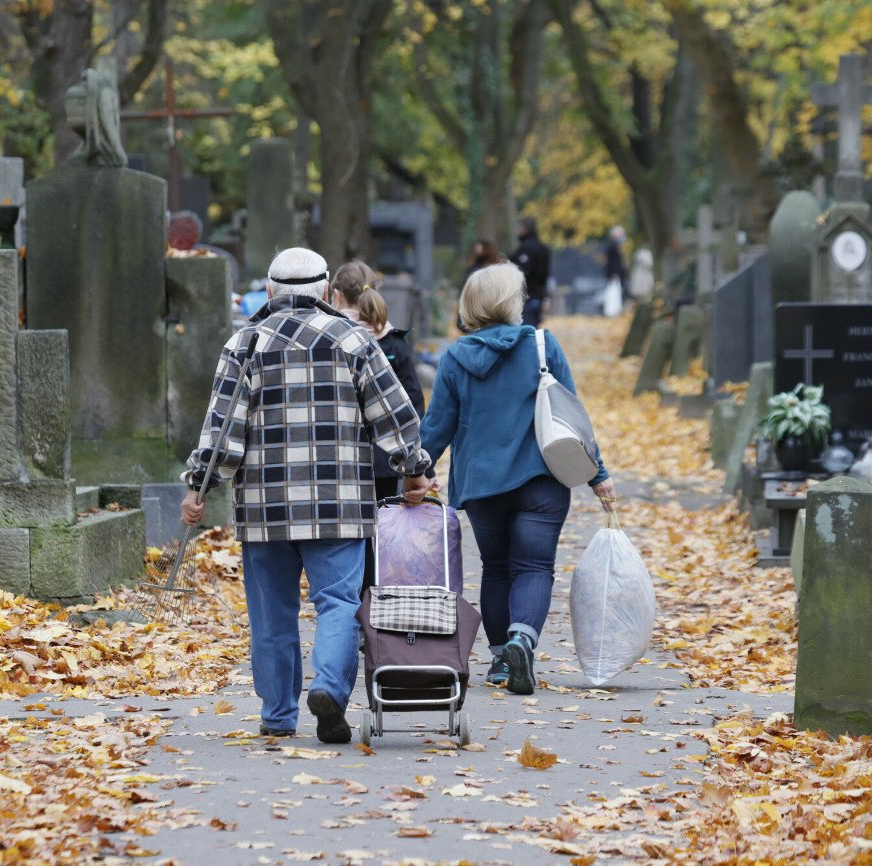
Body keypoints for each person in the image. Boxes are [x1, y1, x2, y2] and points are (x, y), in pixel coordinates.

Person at [181, 247, 432, 743]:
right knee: (338, 602)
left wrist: (199, 485)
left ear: (270, 291)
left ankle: (278, 715)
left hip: (265, 508)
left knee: (271, 613)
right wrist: (413, 471)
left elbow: (222, 430)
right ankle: (331, 688)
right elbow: (394, 417)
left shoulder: (246, 343)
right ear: (325, 292)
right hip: (338, 504)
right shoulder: (354, 338)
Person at [419, 262, 615, 696]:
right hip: (541, 479)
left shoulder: (455, 357)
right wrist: (597, 475)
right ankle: (522, 639)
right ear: (512, 302)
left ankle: (499, 662)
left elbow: (437, 427)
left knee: (496, 568)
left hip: (483, 485)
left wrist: (417, 472)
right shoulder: (543, 346)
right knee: (534, 567)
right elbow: (572, 417)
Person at [329, 260, 426, 503]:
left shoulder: (330, 341)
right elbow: (413, 402)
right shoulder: (394, 343)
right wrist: (416, 461)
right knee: (382, 526)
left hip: (338, 456)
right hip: (385, 457)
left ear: (336, 296)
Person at [512, 218, 551, 327]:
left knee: (525, 329)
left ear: (524, 229)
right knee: (532, 329)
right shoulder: (543, 248)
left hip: (525, 296)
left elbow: (522, 272)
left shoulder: (525, 249)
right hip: (538, 295)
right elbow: (545, 274)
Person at [458, 240, 504, 333]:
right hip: (476, 313)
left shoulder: (497, 270)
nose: (478, 251)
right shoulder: (472, 270)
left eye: (481, 248)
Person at [602, 225, 629, 317]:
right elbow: (613, 262)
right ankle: (612, 311)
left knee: (615, 292)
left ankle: (613, 310)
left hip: (614, 273)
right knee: (613, 292)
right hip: (614, 274)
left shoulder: (613, 246)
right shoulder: (612, 246)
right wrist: (615, 273)